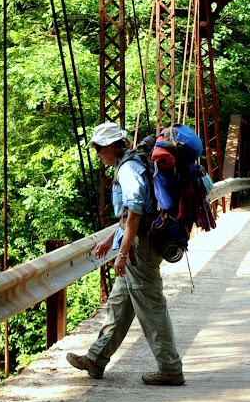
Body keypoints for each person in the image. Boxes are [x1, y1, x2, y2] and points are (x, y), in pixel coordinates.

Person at [66, 122, 186, 386]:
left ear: (110, 146)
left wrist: (122, 252)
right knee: (120, 303)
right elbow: (128, 217)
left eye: (98, 149)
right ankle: (96, 359)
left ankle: (170, 368)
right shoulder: (132, 163)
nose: (98, 155)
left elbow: (135, 212)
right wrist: (112, 239)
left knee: (152, 307)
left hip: (139, 247)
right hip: (136, 242)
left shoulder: (128, 169)